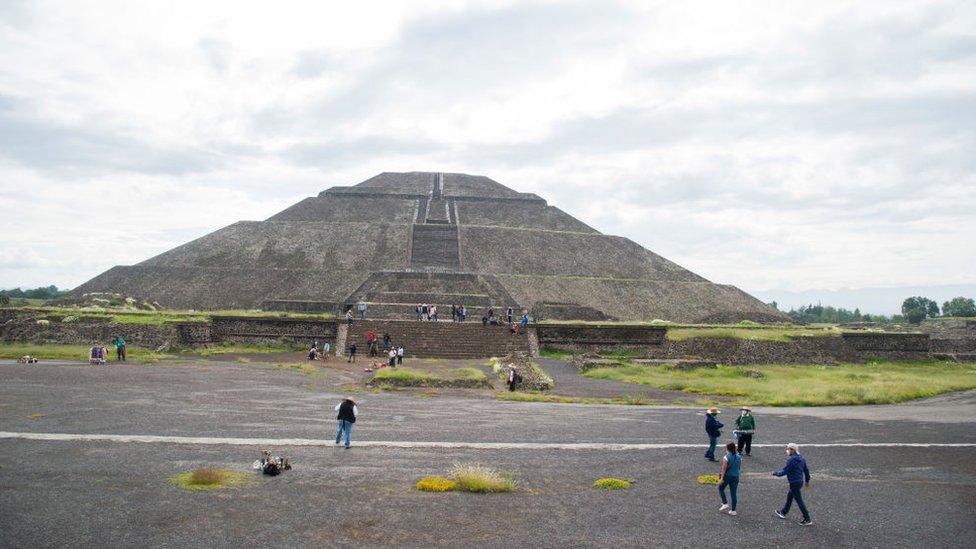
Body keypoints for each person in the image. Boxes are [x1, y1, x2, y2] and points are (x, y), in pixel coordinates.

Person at [773, 443, 812, 525]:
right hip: (799, 482)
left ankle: (807, 518)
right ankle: (783, 512)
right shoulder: (801, 458)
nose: (787, 451)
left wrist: (775, 473)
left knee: (799, 500)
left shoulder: (791, 460)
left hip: (794, 483)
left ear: (793, 450)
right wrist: (807, 481)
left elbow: (785, 471)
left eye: (788, 449)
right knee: (790, 496)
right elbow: (806, 470)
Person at [718, 442, 742, 515]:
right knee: (733, 493)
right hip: (736, 476)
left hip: (728, 476)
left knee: (721, 488)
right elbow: (739, 467)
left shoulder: (726, 457)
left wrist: (721, 478)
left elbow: (724, 469)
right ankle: (733, 510)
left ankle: (725, 503)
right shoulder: (739, 457)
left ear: (728, 449)